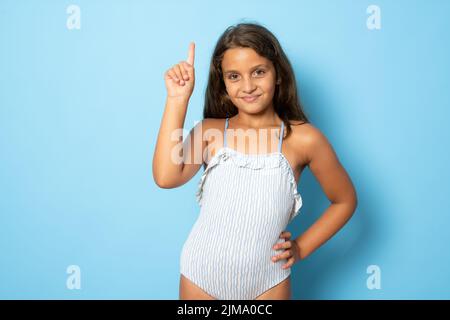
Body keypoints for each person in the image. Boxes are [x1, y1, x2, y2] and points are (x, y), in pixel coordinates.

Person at [153, 22, 357, 300]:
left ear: (277, 75)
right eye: (234, 76)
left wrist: (301, 248)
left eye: (258, 72)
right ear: (223, 83)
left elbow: (344, 201)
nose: (247, 86)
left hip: (268, 282)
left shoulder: (303, 139)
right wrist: (177, 100)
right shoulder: (209, 132)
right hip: (200, 276)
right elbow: (165, 177)